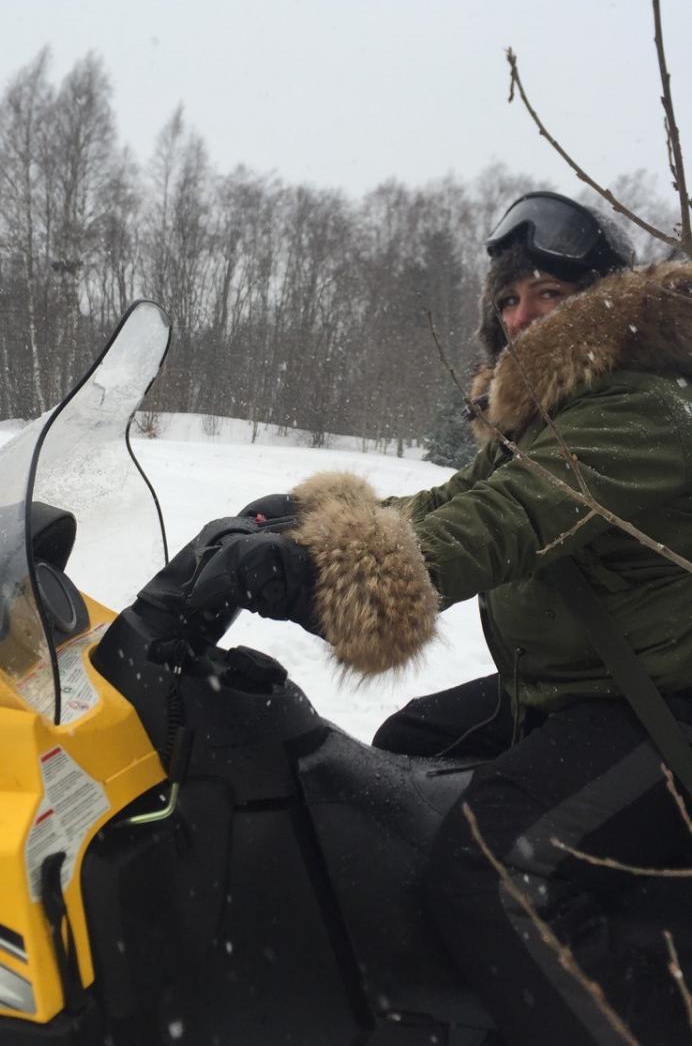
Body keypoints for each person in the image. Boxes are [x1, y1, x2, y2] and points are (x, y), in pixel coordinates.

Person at [189, 191, 692, 1044]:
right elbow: (453, 499)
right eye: (509, 298)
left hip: (666, 708)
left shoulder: (638, 411)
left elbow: (504, 522)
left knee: (494, 862)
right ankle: (471, 991)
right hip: (577, 691)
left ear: (604, 304)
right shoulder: (549, 419)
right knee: (405, 757)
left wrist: (338, 568)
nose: (523, 315)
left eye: (549, 296)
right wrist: (314, 523)